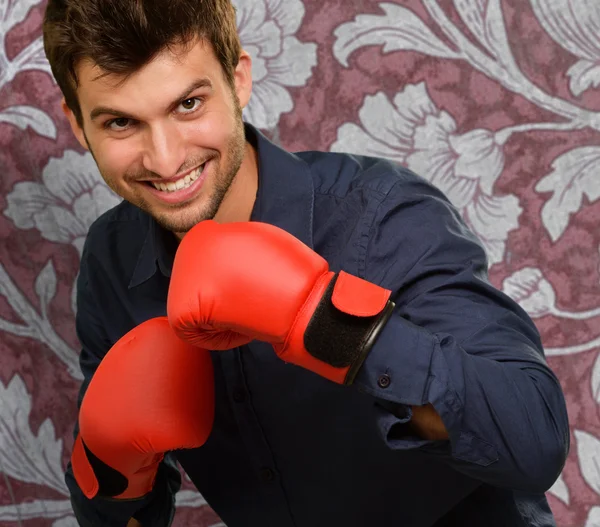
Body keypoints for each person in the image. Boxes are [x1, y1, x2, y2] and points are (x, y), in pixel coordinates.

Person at [42, 0, 570, 526]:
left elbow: (536, 440)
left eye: (188, 105)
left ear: (239, 80)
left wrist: (325, 321)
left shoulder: (382, 212)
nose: (165, 158)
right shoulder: (113, 262)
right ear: (78, 124)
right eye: (120, 123)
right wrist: (109, 462)